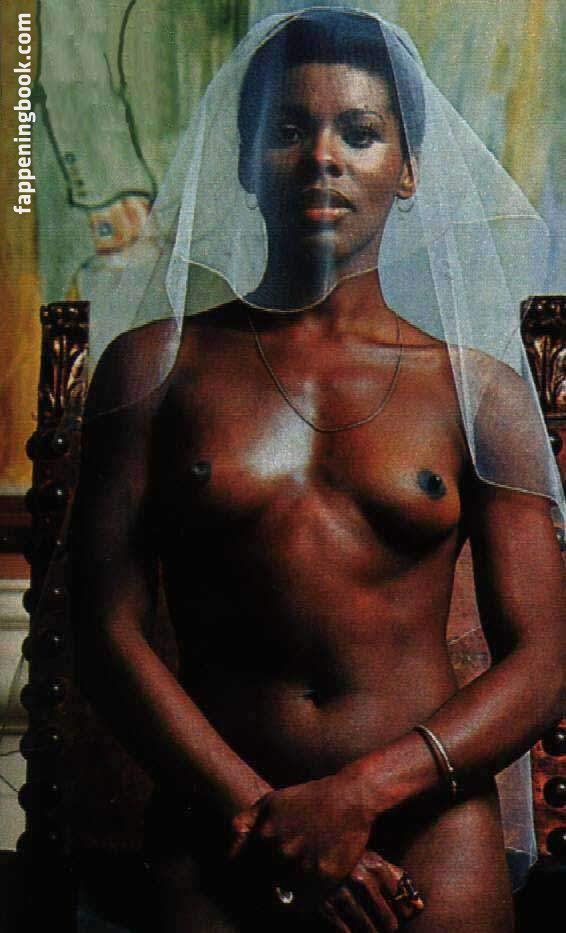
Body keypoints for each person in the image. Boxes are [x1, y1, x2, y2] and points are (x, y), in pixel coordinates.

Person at [70, 8, 565, 931]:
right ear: (247, 160)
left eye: (360, 132)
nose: (323, 157)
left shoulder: (477, 393)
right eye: (290, 128)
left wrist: (356, 796)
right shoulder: (154, 369)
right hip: (221, 832)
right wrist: (266, 817)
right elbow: (104, 628)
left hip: (426, 830)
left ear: (408, 168)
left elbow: (545, 662)